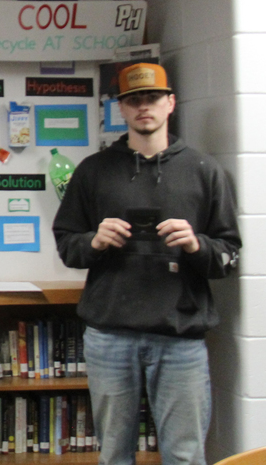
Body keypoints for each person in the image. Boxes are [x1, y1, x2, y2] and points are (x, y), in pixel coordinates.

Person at [53, 63, 241, 465]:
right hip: (110, 336)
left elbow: (228, 254)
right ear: (120, 109)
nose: (144, 107)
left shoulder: (205, 171)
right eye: (133, 100)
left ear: (170, 103)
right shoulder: (93, 171)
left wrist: (196, 245)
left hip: (180, 338)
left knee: (185, 455)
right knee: (114, 455)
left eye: (152, 98)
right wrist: (94, 241)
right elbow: (67, 245)